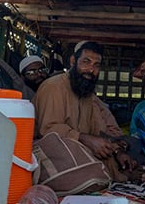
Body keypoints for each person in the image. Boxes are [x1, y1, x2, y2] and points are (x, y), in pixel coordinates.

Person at [32, 40, 136, 182]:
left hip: (79, 153)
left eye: (96, 65)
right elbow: (49, 130)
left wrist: (117, 151)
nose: (91, 70)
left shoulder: (86, 94)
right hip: (52, 156)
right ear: (73, 61)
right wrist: (86, 139)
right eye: (86, 62)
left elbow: (99, 131)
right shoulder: (53, 87)